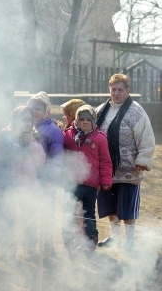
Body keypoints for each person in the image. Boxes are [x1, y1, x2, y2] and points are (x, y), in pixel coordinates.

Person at [94, 73, 155, 249]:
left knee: (127, 206)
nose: (116, 93)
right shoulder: (100, 111)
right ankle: (115, 237)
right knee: (109, 205)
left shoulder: (136, 112)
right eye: (113, 89)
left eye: (120, 89)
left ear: (128, 91)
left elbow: (146, 138)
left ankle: (129, 242)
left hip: (129, 169)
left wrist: (142, 160)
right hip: (106, 169)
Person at [0, 107, 45, 260]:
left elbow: (40, 161)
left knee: (29, 218)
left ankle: (30, 249)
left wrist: (31, 143)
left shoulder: (35, 137)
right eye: (22, 119)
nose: (26, 123)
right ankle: (8, 251)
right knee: (7, 219)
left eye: (29, 120)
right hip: (9, 185)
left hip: (28, 185)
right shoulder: (5, 135)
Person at [62, 105, 112, 251]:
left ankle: (90, 240)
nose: (84, 122)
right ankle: (69, 239)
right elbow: (62, 156)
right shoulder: (68, 136)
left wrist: (106, 181)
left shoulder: (100, 138)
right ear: (76, 120)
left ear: (94, 121)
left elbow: (105, 161)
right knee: (70, 211)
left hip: (90, 184)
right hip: (72, 183)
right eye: (81, 119)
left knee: (88, 212)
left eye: (88, 120)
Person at [28, 91, 64, 257]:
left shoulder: (53, 130)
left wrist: (52, 179)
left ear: (48, 110)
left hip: (46, 180)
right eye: (33, 108)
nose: (35, 111)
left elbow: (57, 158)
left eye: (39, 108)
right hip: (28, 179)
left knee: (47, 213)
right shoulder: (26, 126)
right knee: (30, 213)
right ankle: (31, 246)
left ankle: (48, 244)